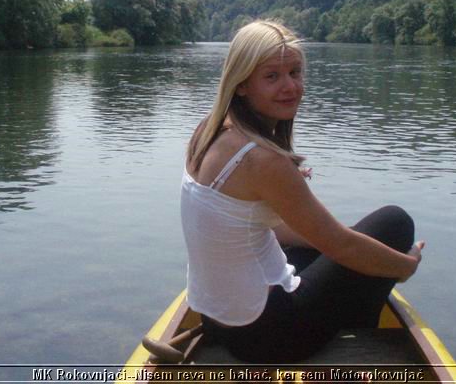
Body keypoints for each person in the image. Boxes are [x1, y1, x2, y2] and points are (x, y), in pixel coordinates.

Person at [180, 20, 425, 363]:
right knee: (393, 224)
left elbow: (272, 229)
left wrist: (346, 245)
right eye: (272, 76)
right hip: (265, 337)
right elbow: (341, 245)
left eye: (295, 72)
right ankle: (356, 337)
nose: (290, 86)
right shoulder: (263, 160)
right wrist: (405, 265)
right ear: (242, 84)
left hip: (216, 318)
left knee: (334, 248)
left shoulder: (209, 130)